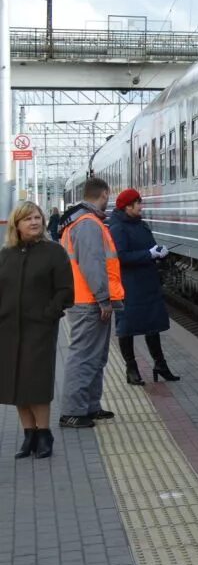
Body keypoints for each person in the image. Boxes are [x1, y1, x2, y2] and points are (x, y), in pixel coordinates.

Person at [0, 201, 74, 459]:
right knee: (16, 382)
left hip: (40, 328)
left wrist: (50, 314)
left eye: (37, 217)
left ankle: (44, 434)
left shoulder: (54, 252)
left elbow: (65, 290)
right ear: (16, 225)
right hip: (8, 329)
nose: (34, 222)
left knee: (36, 381)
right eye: (28, 218)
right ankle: (28, 435)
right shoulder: (5, 254)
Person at [59, 176, 123, 429]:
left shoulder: (87, 221)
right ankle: (72, 412)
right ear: (104, 194)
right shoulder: (87, 225)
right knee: (84, 356)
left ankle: (90, 406)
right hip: (89, 302)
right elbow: (92, 265)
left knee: (96, 356)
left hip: (89, 301)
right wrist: (103, 299)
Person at [107, 189, 177, 385]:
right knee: (126, 328)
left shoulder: (142, 225)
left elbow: (149, 247)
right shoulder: (118, 228)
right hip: (129, 286)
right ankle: (131, 369)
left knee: (152, 325)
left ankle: (160, 365)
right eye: (138, 203)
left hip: (148, 282)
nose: (141, 206)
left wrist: (159, 252)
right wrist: (149, 254)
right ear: (128, 206)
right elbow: (120, 256)